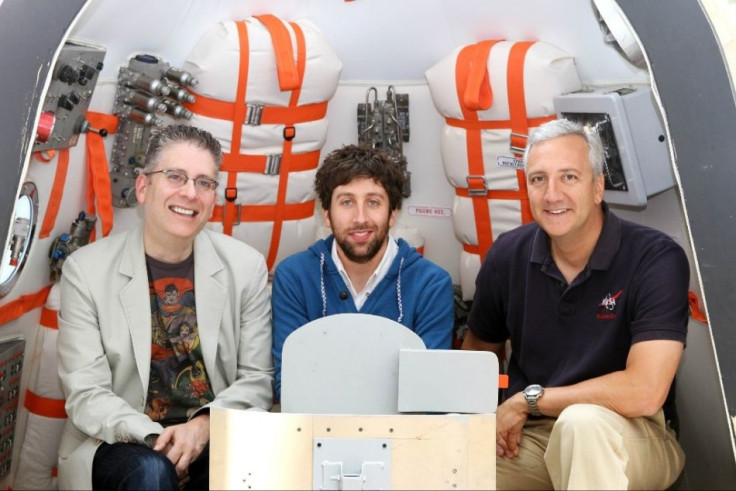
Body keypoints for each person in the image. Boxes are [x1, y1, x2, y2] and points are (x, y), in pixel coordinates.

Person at [461, 118, 688, 490]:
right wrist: (483, 423)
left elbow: (644, 392)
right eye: (538, 179)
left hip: (630, 433)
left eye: (569, 177)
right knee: (445, 469)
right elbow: (477, 356)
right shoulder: (507, 255)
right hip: (533, 438)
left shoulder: (655, 257)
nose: (552, 195)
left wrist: (528, 401)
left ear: (598, 187)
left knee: (581, 424)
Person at [57, 124, 273, 490]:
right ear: (143, 187)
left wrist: (202, 427)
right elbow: (87, 394)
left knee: (248, 469)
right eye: (176, 177)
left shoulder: (246, 267)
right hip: (121, 438)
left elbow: (257, 379)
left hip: (212, 431)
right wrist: (161, 442)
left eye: (204, 183)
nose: (190, 193)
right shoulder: (86, 271)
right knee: (151, 471)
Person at [271, 144, 455, 397]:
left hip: (401, 434)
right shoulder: (294, 277)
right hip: (316, 429)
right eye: (346, 202)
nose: (360, 218)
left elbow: (426, 393)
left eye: (373, 202)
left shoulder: (430, 284)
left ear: (392, 214)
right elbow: (289, 385)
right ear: (327, 214)